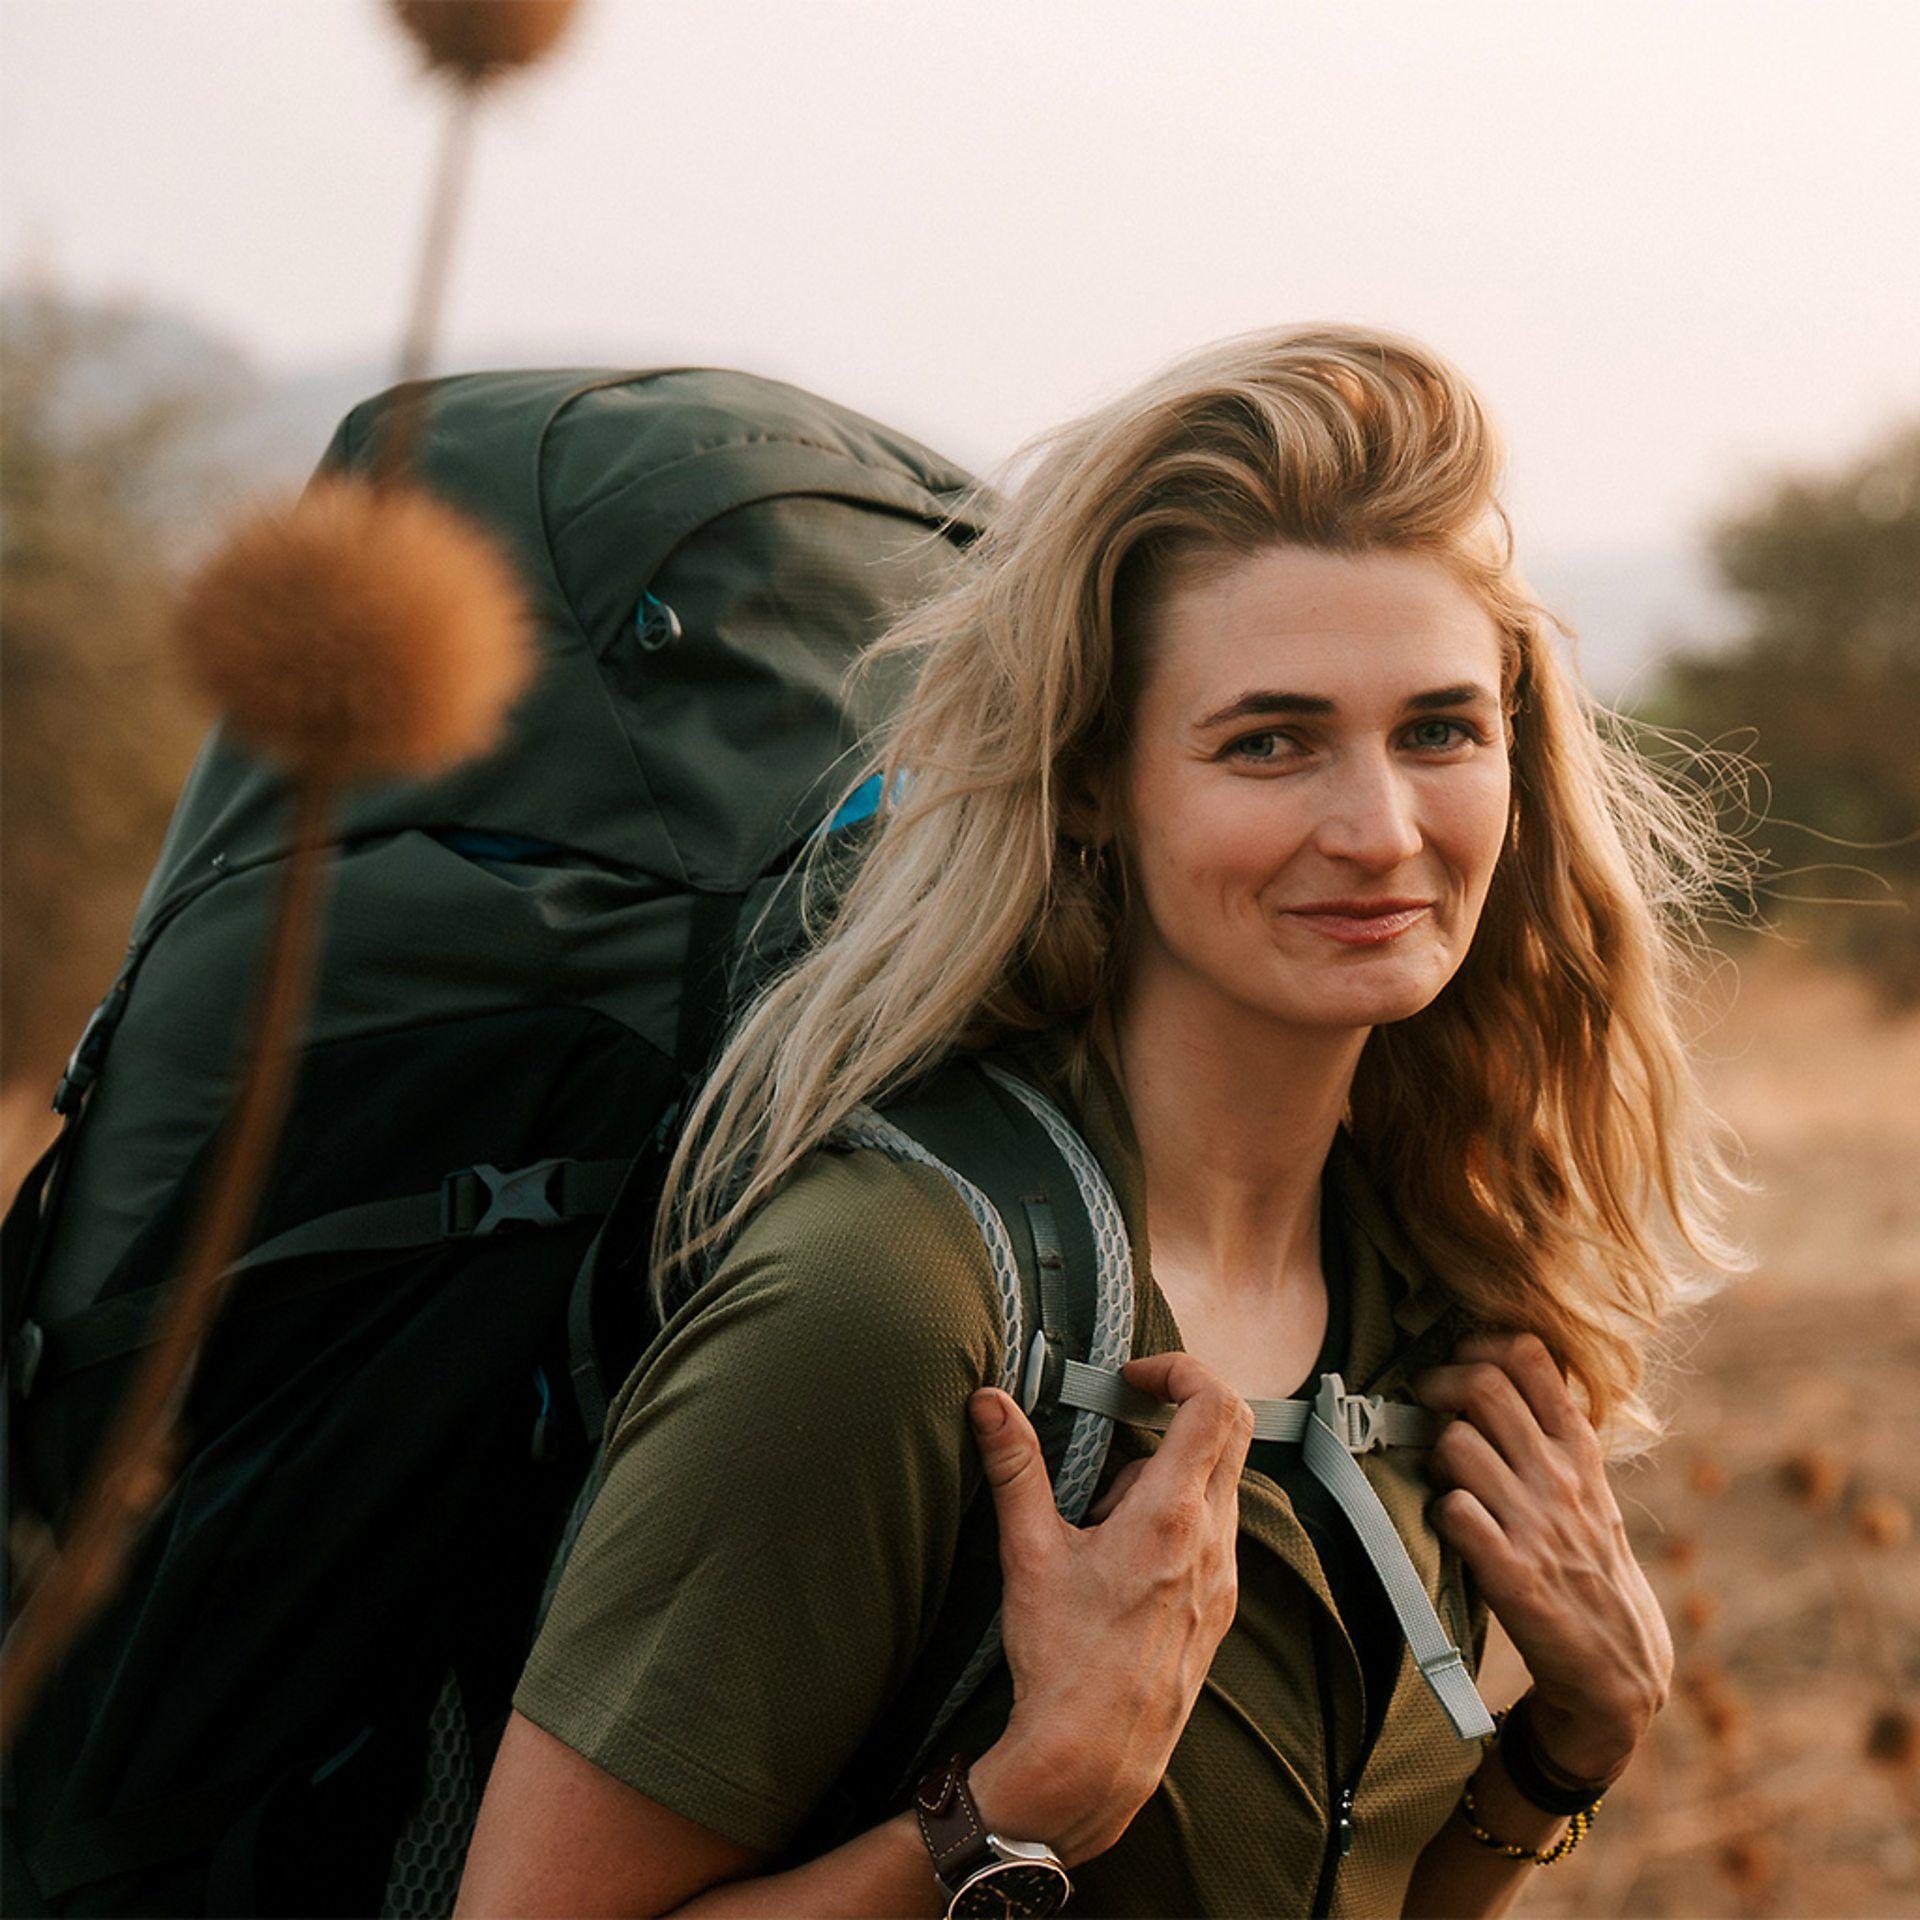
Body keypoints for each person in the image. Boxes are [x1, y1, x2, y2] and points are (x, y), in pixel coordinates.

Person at [454, 323, 1752, 1917]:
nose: (1379, 828)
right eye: (1269, 742)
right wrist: (1014, 1812)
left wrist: (1565, 1752)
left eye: (1439, 730)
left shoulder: (1433, 1285)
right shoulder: (888, 1305)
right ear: (1092, 784)